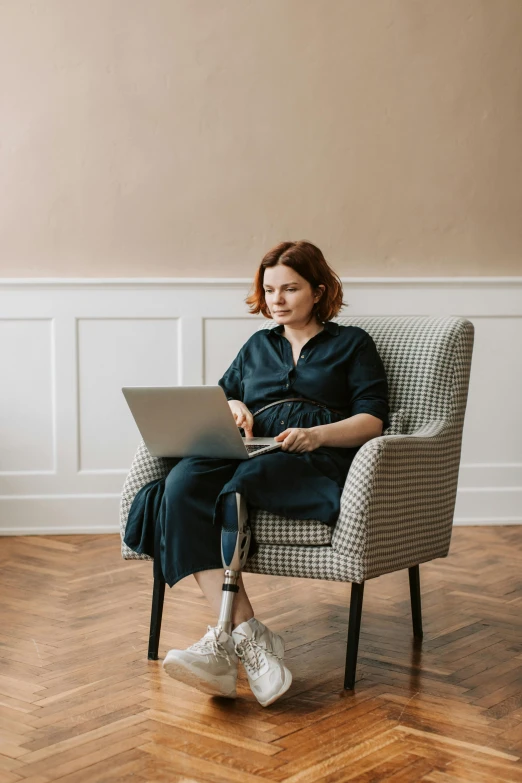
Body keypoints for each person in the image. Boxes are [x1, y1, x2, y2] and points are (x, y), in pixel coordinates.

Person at [124, 240, 390, 708]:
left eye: (290, 288)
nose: (277, 300)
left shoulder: (352, 344)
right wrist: (235, 406)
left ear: (318, 290)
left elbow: (373, 420)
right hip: (252, 446)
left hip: (310, 452)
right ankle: (247, 636)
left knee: (237, 487)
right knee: (180, 485)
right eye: (269, 290)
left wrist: (319, 435)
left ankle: (224, 643)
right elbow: (224, 395)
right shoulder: (257, 345)